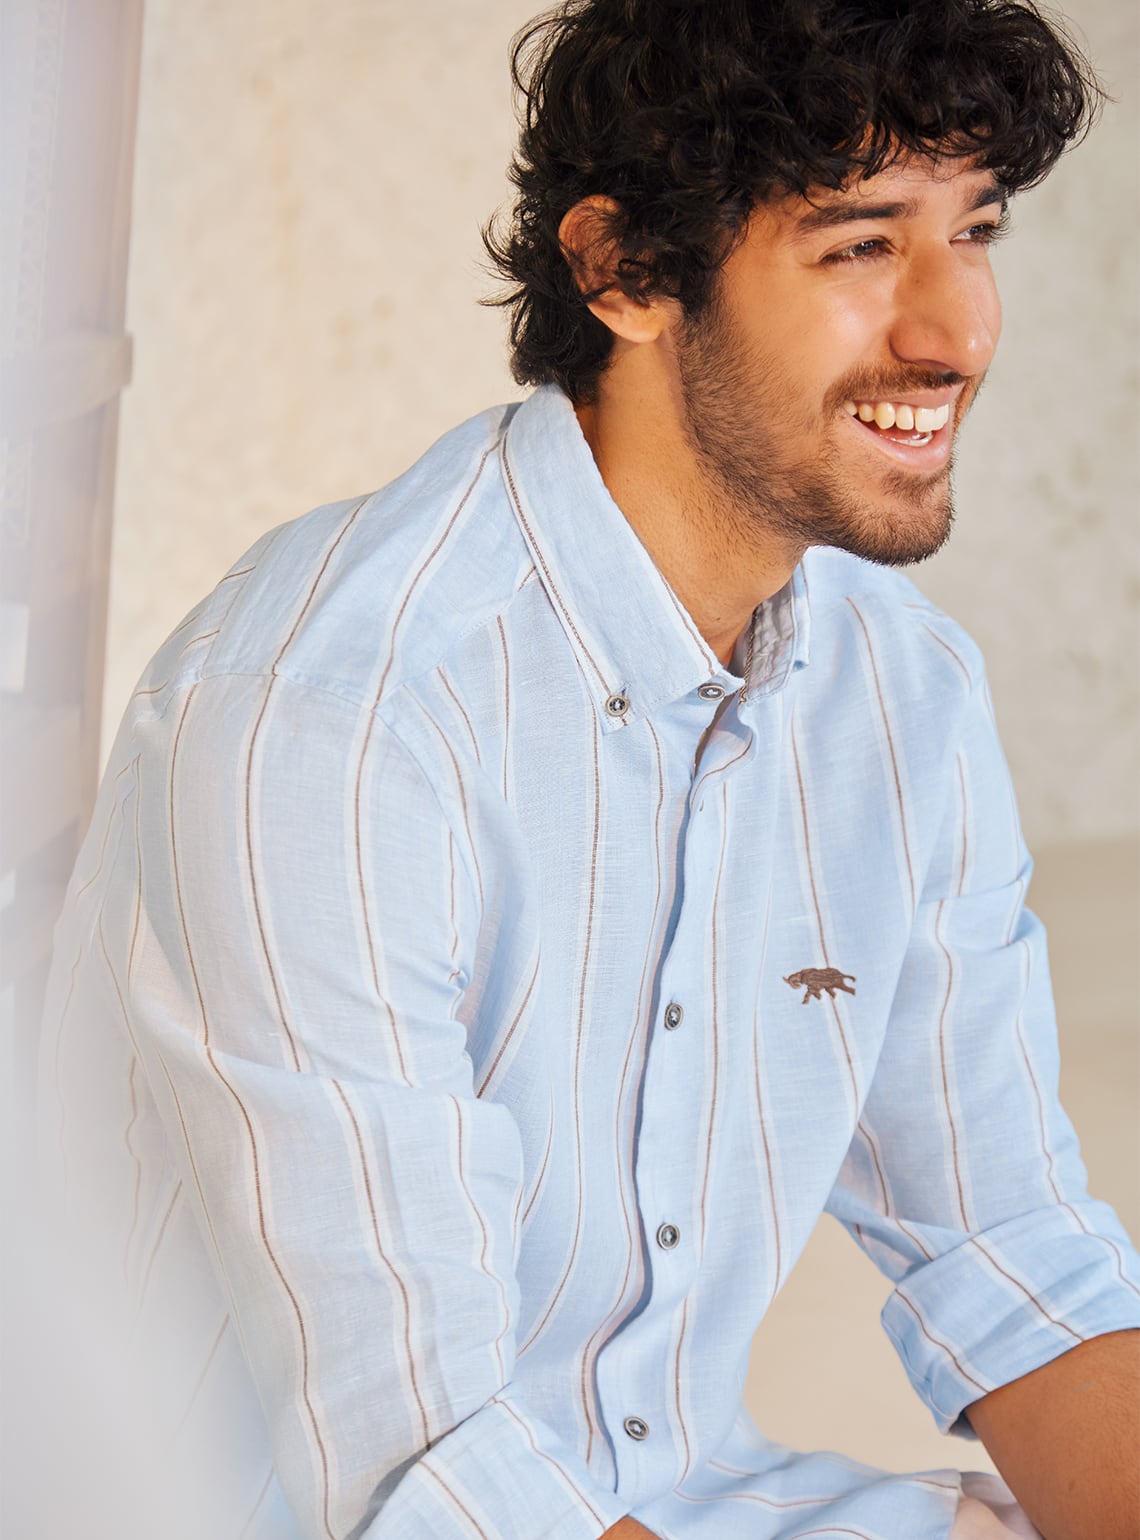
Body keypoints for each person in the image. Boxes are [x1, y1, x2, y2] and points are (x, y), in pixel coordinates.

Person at [41, 2, 1140, 1537]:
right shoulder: (332, 713)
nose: (956, 332)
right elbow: (432, 1475)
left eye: (974, 230)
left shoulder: (904, 694)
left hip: (672, 1504)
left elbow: (1014, 1251)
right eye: (861, 245)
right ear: (621, 270)